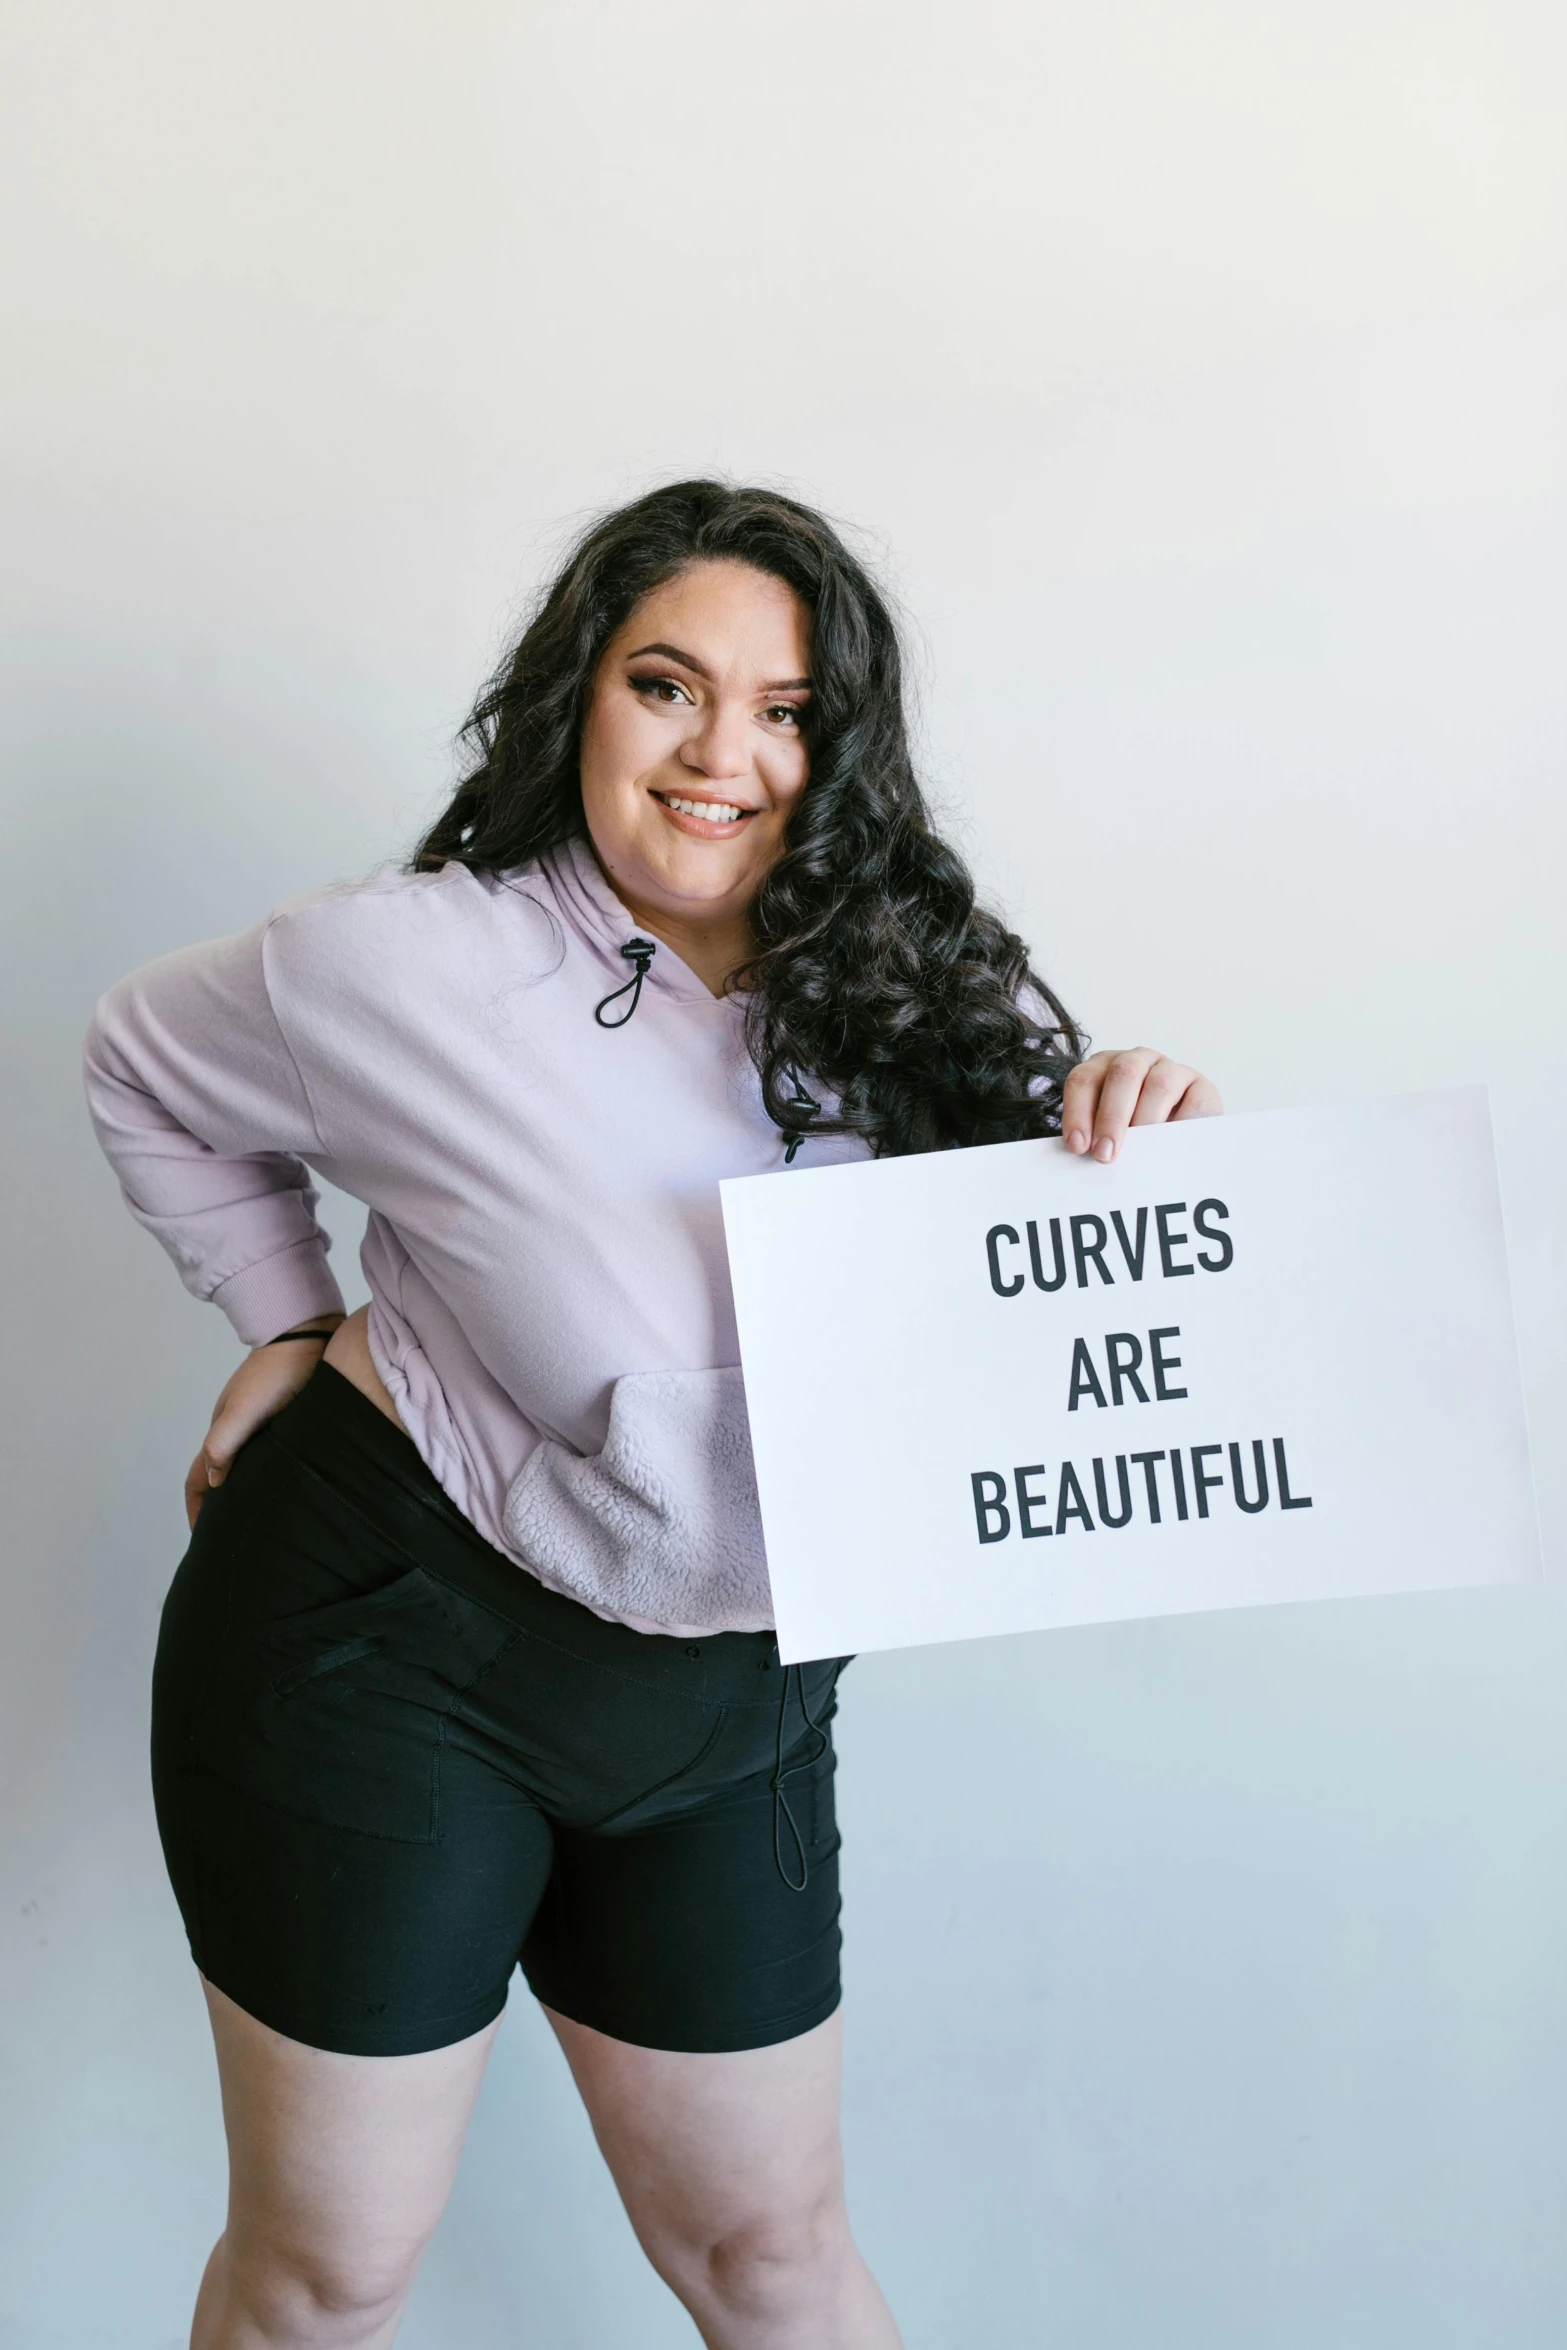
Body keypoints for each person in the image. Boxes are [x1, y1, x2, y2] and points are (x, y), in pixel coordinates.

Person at [84, 479, 1221, 2350]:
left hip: (733, 1704)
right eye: (666, 685)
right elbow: (140, 1056)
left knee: (770, 2262)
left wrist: (1129, 1120)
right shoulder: (403, 962)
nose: (723, 755)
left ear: (838, 747)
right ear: (576, 702)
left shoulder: (934, 994)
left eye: (783, 711)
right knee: (326, 2277)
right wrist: (285, 1315)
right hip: (388, 1653)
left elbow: (1056, 1299)